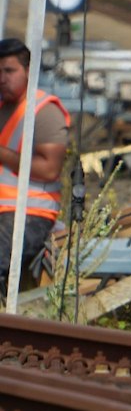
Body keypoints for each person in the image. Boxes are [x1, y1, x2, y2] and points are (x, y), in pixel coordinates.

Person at [0, 38, 67, 294]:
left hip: (28, 212)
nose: (3, 78)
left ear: (28, 71)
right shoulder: (2, 107)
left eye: (9, 71)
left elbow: (49, 169)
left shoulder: (44, 111)